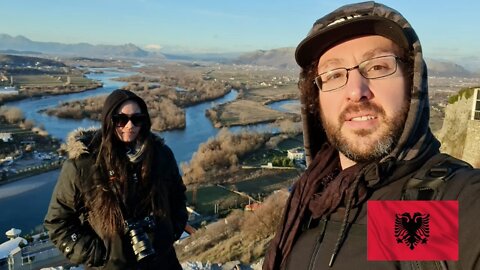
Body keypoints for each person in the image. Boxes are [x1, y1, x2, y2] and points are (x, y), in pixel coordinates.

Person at [263, 2, 480, 270]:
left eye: (378, 67)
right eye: (333, 74)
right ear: (315, 99)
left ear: (412, 82)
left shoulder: (442, 203)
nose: (356, 90)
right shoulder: (309, 201)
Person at [45, 89, 188, 269]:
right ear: (108, 121)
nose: (130, 126)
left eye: (137, 119)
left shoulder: (161, 156)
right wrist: (98, 254)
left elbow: (178, 196)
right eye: (121, 119)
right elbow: (57, 222)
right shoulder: (83, 165)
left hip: (162, 263)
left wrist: (171, 231)